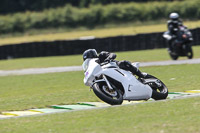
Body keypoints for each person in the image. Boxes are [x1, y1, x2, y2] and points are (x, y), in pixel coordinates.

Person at [83, 49, 147, 78]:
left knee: (123, 63)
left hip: (116, 67)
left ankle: (141, 75)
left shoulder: (102, 55)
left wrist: (108, 59)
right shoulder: (92, 67)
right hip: (106, 74)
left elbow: (112, 54)